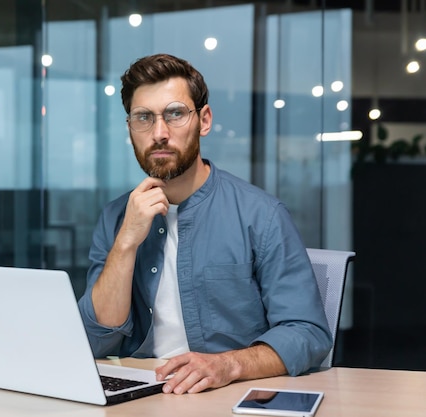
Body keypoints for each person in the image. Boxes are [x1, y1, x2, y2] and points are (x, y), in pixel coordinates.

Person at [77, 53, 332, 395]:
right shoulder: (115, 218)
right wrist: (126, 242)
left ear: (204, 120)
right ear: (130, 129)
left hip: (227, 393)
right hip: (139, 394)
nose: (160, 133)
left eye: (175, 114)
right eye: (144, 118)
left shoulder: (262, 215)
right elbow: (94, 340)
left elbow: (307, 332)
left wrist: (228, 364)